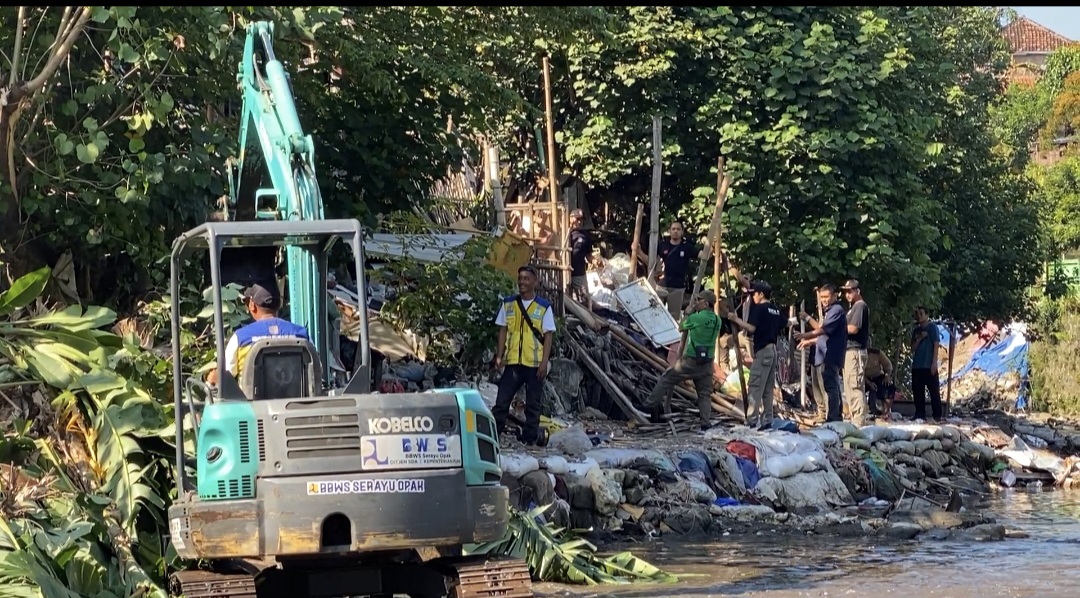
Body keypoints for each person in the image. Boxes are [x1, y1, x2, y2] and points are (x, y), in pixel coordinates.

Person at [492, 265, 556, 445]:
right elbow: (503, 330)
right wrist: (499, 356)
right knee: (502, 402)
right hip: (513, 362)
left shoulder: (544, 307)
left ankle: (529, 440)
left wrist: (544, 362)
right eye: (520, 278)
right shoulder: (508, 304)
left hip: (534, 364)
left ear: (535, 282)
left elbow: (548, 336)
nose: (522, 282)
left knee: (533, 404)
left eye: (526, 279)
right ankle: (494, 437)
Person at [644, 290, 722, 431]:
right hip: (707, 362)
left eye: (699, 300)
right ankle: (705, 422)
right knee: (704, 394)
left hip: (691, 360)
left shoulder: (697, 318)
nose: (696, 302)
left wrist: (687, 313)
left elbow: (681, 327)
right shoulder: (718, 320)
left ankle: (648, 405)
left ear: (705, 303)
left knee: (667, 378)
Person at [207, 282, 311, 385]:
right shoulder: (301, 334)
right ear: (278, 305)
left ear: (252, 305)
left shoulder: (240, 338)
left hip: (250, 396)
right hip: (295, 396)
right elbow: (315, 367)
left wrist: (214, 377)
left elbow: (226, 376)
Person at [726, 280, 787, 430]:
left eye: (754, 294)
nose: (753, 297)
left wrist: (736, 320)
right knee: (767, 388)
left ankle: (752, 420)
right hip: (773, 351)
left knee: (756, 386)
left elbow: (751, 328)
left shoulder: (759, 309)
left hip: (763, 350)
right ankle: (767, 420)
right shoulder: (775, 309)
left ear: (761, 294)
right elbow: (785, 323)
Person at [795, 285, 847, 423]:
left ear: (834, 296)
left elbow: (823, 330)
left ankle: (833, 418)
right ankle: (825, 414)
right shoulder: (828, 311)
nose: (824, 300)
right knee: (820, 385)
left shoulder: (836, 310)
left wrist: (805, 335)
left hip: (829, 355)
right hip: (820, 353)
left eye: (826, 297)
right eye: (822, 297)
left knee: (830, 387)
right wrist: (810, 341)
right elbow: (824, 334)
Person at [652, 221, 699, 321]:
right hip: (662, 285)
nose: (675, 231)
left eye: (678, 229)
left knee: (674, 318)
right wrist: (638, 251)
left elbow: (702, 255)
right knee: (655, 314)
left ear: (682, 232)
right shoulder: (662, 246)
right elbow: (650, 260)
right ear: (669, 231)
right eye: (673, 229)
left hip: (677, 288)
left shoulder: (687, 247)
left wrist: (712, 250)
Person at [840, 279, 870, 426]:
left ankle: (859, 421)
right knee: (849, 387)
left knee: (855, 385)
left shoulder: (860, 306)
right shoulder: (853, 308)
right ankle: (855, 418)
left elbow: (853, 328)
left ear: (857, 291)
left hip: (855, 351)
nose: (847, 294)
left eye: (850, 291)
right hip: (849, 351)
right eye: (845, 291)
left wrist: (836, 328)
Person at [911, 306, 943, 422]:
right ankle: (919, 414)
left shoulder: (932, 328)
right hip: (917, 365)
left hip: (928, 364)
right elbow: (912, 348)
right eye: (917, 314)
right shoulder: (916, 331)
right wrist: (919, 338)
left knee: (933, 391)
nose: (919, 316)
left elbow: (936, 344)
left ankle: (937, 415)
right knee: (917, 391)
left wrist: (934, 362)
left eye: (921, 313)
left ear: (927, 315)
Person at [568, 209, 593, 307]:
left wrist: (595, 261)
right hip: (564, 272)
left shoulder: (585, 236)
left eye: (581, 220)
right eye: (577, 219)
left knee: (584, 299)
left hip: (578, 273)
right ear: (570, 218)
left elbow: (589, 255)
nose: (579, 222)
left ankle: (586, 315)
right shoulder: (564, 233)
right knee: (567, 299)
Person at [864, 347, 895, 418]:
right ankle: (870, 410)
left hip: (878, 375)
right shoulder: (858, 354)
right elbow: (858, 372)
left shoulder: (877, 353)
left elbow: (888, 365)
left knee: (890, 387)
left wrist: (887, 375)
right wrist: (869, 383)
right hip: (864, 378)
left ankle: (886, 411)